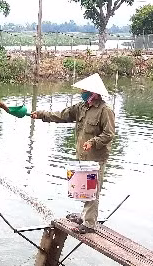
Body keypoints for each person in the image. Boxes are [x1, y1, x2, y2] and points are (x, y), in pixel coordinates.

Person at [30, 73, 116, 233]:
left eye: (84, 90)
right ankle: (83, 217)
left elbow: (109, 134)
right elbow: (62, 115)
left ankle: (89, 224)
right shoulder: (81, 107)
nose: (81, 92)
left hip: (95, 158)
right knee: (83, 188)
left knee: (93, 190)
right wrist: (41, 115)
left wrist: (93, 142)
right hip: (82, 155)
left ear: (93, 93)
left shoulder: (105, 111)